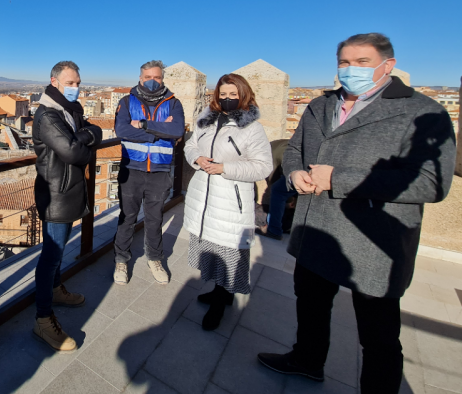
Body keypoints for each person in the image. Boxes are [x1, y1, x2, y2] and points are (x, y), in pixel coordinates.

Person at [257, 33, 456, 393]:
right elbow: (293, 151)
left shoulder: (422, 112)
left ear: (387, 65)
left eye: (362, 62)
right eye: (344, 63)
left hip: (373, 241)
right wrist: (295, 173)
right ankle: (307, 361)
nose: (351, 70)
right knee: (311, 307)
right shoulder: (320, 106)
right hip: (316, 229)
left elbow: (431, 183)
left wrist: (339, 179)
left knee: (378, 335)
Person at [183, 74, 273, 330]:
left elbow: (262, 166)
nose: (227, 98)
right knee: (211, 250)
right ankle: (218, 291)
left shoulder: (251, 127)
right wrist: (197, 159)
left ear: (243, 95)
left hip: (230, 200)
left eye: (233, 94)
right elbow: (190, 146)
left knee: (229, 252)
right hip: (204, 198)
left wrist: (225, 168)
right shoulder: (205, 119)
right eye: (223, 94)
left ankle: (221, 302)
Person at [32, 61, 102, 351]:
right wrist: (83, 140)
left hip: (68, 191)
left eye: (78, 83)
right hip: (55, 194)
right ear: (55, 81)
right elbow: (73, 152)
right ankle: (43, 319)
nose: (76, 88)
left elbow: (94, 131)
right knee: (51, 256)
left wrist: (83, 135)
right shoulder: (49, 115)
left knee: (58, 253)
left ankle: (56, 290)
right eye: (71, 83)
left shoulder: (70, 112)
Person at [113, 60, 185, 285]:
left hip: (160, 170)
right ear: (140, 78)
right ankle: (121, 260)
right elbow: (122, 129)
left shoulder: (174, 104)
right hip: (131, 169)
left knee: (155, 219)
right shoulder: (126, 101)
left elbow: (177, 130)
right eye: (148, 78)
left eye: (157, 78)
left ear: (162, 79)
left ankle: (155, 259)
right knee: (127, 219)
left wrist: (143, 125)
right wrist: (158, 131)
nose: (153, 82)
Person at [255, 138, 298, 240]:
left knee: (277, 191)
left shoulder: (268, 155)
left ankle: (274, 230)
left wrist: (289, 200)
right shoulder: (275, 147)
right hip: (302, 166)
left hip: (296, 168)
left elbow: (272, 179)